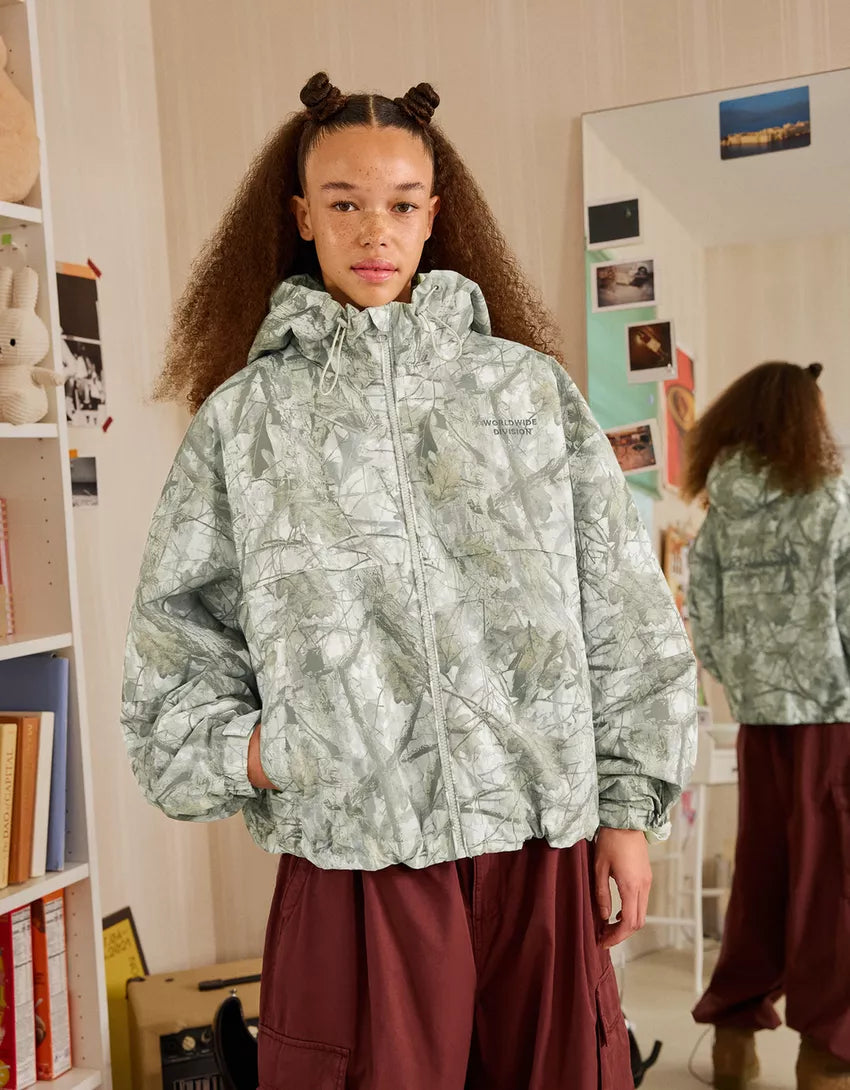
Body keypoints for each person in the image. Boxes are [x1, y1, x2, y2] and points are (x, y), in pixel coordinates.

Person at [121, 72, 696, 1090]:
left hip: (537, 842)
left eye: (399, 203)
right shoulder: (246, 421)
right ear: (302, 216)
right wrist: (267, 748)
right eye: (343, 203)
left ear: (434, 216)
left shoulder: (528, 393)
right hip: (356, 855)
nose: (373, 231)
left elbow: (622, 609)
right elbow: (174, 643)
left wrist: (627, 812)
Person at [684, 362, 850, 1090]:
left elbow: (703, 614)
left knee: (762, 874)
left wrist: (746, 685)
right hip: (833, 719)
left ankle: (733, 1040)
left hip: (757, 718)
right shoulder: (831, 500)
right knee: (832, 885)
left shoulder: (721, 508)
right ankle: (828, 1053)